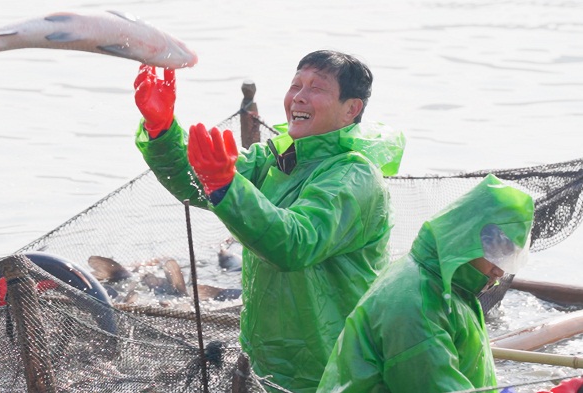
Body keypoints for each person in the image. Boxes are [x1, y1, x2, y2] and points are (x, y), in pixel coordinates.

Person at [133, 50, 405, 391]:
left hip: (333, 369)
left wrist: (227, 186)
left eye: (316, 88)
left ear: (351, 109)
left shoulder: (355, 175)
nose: (299, 97)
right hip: (267, 361)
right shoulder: (275, 158)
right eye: (295, 85)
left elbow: (295, 243)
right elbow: (194, 182)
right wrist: (161, 129)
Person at [316, 174, 535, 393]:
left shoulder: (446, 287)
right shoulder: (417, 304)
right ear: (466, 241)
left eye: (507, 258)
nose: (500, 270)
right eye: (495, 255)